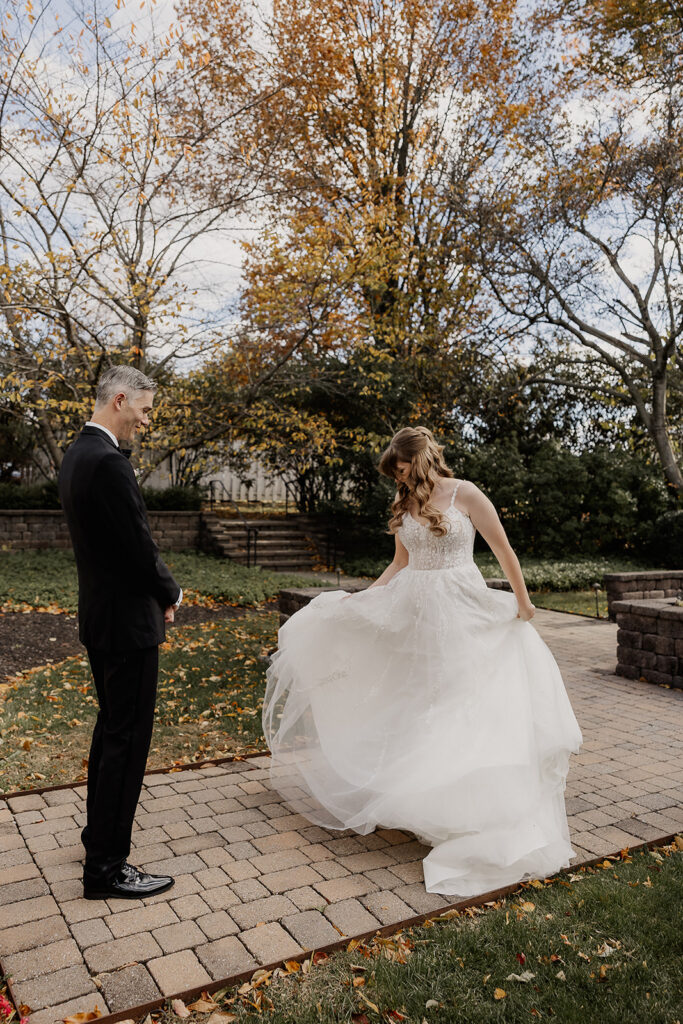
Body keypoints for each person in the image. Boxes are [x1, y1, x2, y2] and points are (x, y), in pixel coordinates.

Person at [262, 426, 583, 898]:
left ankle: (473, 807)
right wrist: (362, 600)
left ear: (423, 458)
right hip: (415, 611)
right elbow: (400, 563)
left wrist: (524, 601)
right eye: (396, 473)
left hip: (462, 607)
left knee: (464, 700)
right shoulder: (404, 503)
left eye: (404, 468)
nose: (400, 478)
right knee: (423, 699)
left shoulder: (466, 494)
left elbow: (503, 549)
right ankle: (428, 802)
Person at [58, 366, 183, 900]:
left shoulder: (76, 455)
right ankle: (107, 868)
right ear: (120, 398)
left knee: (112, 732)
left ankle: (98, 838)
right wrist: (170, 592)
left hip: (102, 619)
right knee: (126, 743)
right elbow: (137, 546)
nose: (146, 419)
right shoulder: (107, 462)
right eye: (145, 409)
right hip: (128, 626)